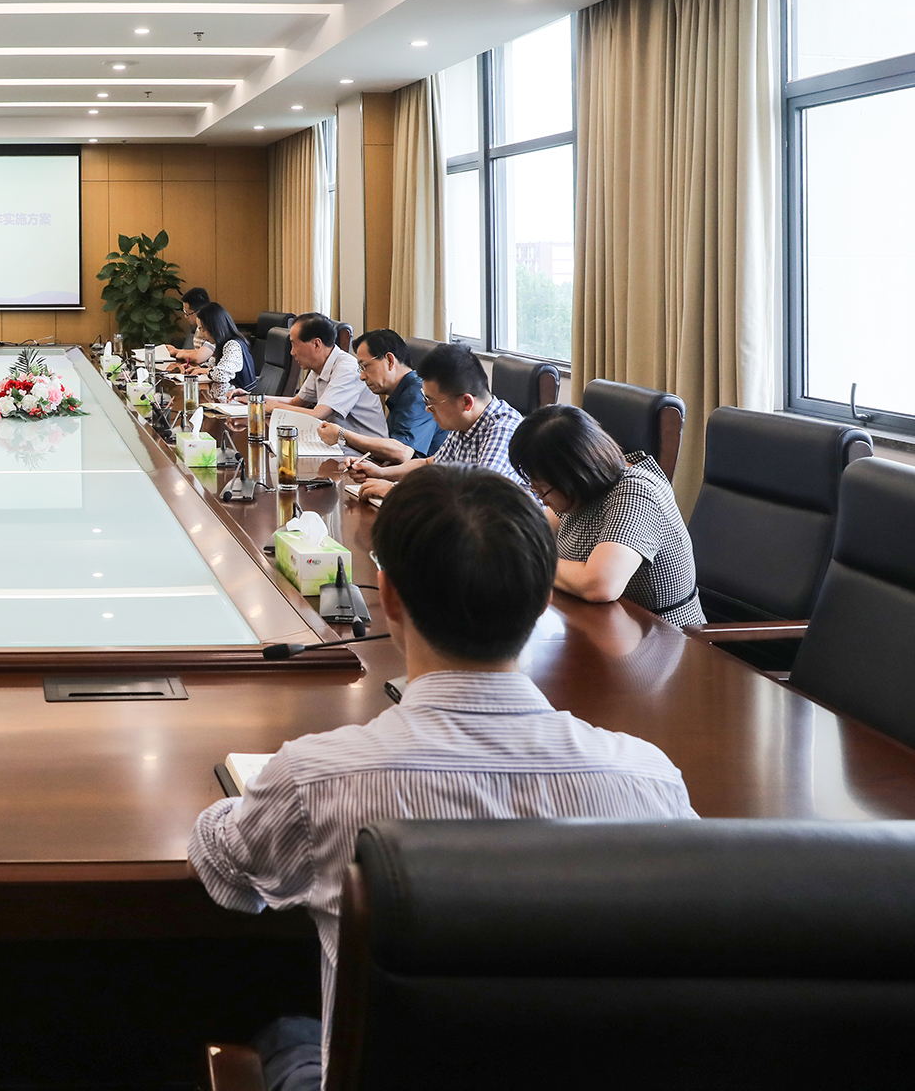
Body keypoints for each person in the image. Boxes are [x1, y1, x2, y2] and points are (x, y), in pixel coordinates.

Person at [189, 465, 697, 1091]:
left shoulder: (315, 781)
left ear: (389, 595)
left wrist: (251, 797)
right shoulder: (649, 782)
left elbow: (226, 875)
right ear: (544, 598)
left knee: (282, 1033)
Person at [509, 405, 707, 629]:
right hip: (606, 625)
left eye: (543, 490)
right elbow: (532, 533)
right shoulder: (584, 490)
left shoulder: (637, 492)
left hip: (666, 636)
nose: (541, 498)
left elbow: (600, 585)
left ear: (573, 476)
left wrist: (533, 561)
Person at [347, 342, 524, 501]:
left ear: (466, 402)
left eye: (431, 402)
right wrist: (381, 472)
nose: (427, 409)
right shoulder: (463, 423)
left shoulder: (504, 429)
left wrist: (395, 491)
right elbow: (429, 464)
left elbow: (478, 495)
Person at [311, 329, 444, 461]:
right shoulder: (404, 392)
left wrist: (342, 434)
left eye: (365, 366)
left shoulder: (416, 395)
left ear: (390, 360)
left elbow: (402, 453)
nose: (362, 376)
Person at [261, 315, 388, 440]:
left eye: (294, 344)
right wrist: (259, 400)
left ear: (316, 344)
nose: (292, 352)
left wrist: (275, 407)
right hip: (338, 442)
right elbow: (297, 402)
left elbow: (317, 414)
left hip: (364, 448)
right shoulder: (319, 365)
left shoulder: (347, 369)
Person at [183, 301, 256, 397]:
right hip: (228, 396)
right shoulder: (221, 343)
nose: (201, 334)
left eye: (203, 329)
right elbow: (214, 364)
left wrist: (205, 371)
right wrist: (198, 369)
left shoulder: (233, 345)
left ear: (215, 327)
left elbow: (222, 375)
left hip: (242, 399)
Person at [166, 287, 212, 363]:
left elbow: (199, 357)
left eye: (187, 313)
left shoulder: (210, 328)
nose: (185, 316)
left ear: (199, 311)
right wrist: (176, 351)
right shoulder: (199, 326)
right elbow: (198, 351)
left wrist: (178, 353)